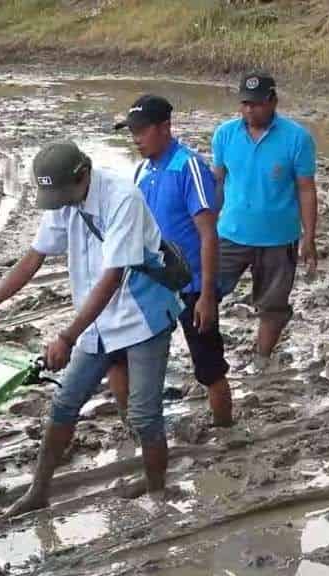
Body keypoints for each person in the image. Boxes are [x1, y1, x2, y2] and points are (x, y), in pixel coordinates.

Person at [0, 140, 180, 514]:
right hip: (96, 320)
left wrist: (66, 336)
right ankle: (38, 493)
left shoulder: (121, 199)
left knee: (143, 414)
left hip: (142, 315)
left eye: (62, 193)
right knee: (63, 404)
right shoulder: (66, 199)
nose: (58, 202)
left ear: (83, 175)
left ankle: (157, 490)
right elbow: (34, 258)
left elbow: (112, 278)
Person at [110, 94, 230, 427]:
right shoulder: (141, 170)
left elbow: (208, 233)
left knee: (209, 368)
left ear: (165, 128)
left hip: (190, 287)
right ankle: (136, 427)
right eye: (131, 131)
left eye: (142, 131)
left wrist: (207, 296)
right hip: (150, 286)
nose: (136, 139)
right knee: (123, 358)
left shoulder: (188, 166)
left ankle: (226, 432)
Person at [210, 72, 319, 372]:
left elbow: (306, 188)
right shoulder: (225, 134)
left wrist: (309, 237)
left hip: (278, 238)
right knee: (205, 291)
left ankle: (261, 358)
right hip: (230, 234)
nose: (249, 110)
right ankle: (208, 354)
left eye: (256, 104)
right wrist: (205, 227)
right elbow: (218, 182)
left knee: (273, 304)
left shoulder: (297, 138)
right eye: (245, 104)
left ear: (273, 101)